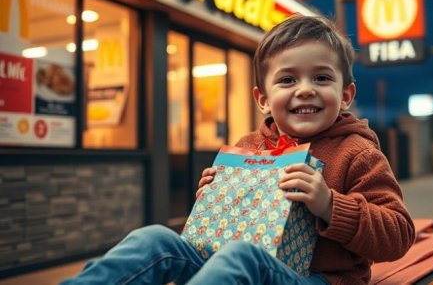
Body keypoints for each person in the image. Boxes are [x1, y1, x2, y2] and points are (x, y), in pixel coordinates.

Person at [61, 14, 415, 285]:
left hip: (317, 280)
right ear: (262, 99)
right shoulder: (248, 146)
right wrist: (214, 198)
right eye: (287, 79)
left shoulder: (357, 153)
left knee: (242, 256)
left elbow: (398, 235)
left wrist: (328, 204)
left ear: (346, 95)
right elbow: (225, 228)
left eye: (321, 78)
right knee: (154, 238)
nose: (305, 90)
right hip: (229, 268)